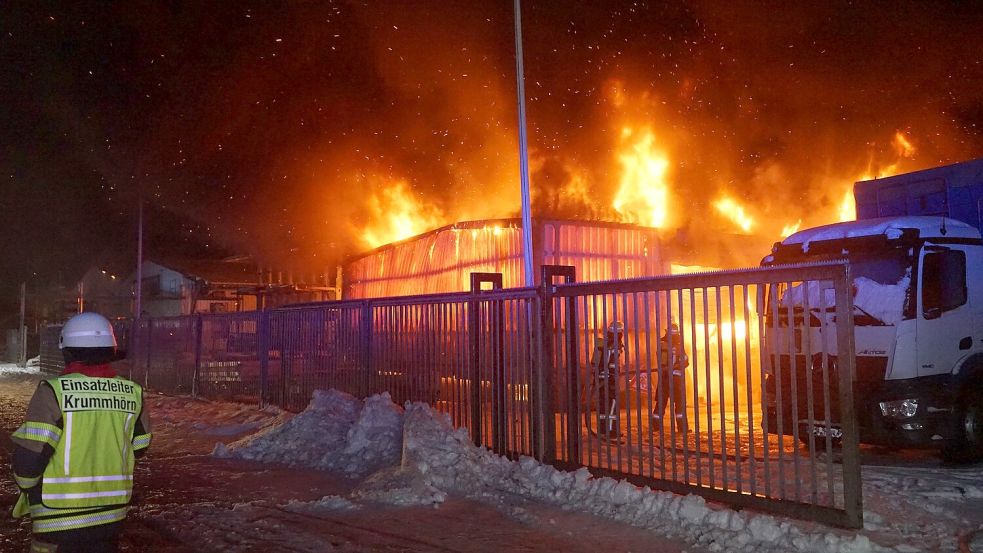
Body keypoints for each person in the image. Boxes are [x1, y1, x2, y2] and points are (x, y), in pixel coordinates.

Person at [11, 312, 151, 553]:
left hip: (58, 518)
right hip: (111, 516)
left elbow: (29, 460)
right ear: (111, 349)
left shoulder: (53, 392)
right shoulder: (133, 392)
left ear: (67, 351)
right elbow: (140, 446)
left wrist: (26, 488)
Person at [652, 322, 689, 434]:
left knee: (661, 404)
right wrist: (677, 365)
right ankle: (682, 428)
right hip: (675, 380)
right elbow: (686, 361)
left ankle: (656, 427)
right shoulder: (678, 345)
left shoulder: (662, 344)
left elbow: (661, 360)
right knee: (679, 404)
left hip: (665, 379)